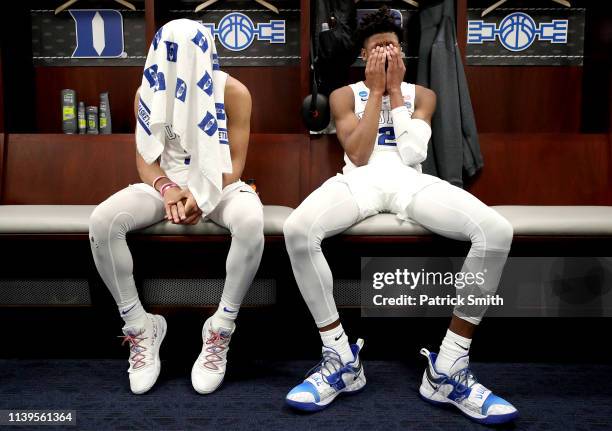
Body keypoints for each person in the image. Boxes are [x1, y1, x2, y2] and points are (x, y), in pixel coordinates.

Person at [283, 7, 517, 424]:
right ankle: (340, 357)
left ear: (403, 50)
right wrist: (374, 92)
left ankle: (448, 366)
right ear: (363, 55)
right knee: (297, 229)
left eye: (392, 46)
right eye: (377, 48)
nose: (386, 54)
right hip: (360, 180)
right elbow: (357, 153)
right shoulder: (344, 94)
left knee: (496, 230)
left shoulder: (422, 94)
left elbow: (415, 154)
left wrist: (395, 93)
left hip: (410, 181)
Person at [88, 23, 263, 395]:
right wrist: (168, 188)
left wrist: (200, 194)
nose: (179, 60)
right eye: (171, 51)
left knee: (251, 220)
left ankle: (221, 329)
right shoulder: (145, 93)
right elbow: (145, 161)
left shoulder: (234, 92)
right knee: (103, 221)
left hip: (219, 183)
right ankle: (139, 325)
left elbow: (234, 164)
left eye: (188, 51)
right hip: (164, 187)